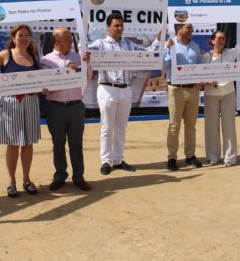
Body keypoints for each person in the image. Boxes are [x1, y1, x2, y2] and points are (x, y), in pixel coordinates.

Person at [87, 12, 160, 175]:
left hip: (125, 90)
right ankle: (106, 161)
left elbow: (148, 53)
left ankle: (118, 160)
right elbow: (84, 52)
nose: (119, 28)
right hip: (107, 89)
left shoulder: (129, 44)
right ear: (108, 27)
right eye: (116, 25)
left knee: (121, 127)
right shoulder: (99, 44)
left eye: (121, 25)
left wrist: (158, 38)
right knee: (107, 127)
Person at [0, 24, 42, 197]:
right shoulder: (6, 55)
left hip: (30, 102)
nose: (23, 38)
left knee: (28, 143)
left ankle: (27, 179)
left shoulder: (34, 57)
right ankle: (11, 181)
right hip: (10, 102)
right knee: (13, 143)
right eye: (20, 35)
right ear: (13, 38)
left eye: (26, 35)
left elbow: (42, 79)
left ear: (30, 38)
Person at [40, 27, 91, 191]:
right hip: (55, 108)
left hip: (76, 106)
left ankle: (78, 176)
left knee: (76, 143)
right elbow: (46, 87)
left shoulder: (78, 57)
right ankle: (60, 175)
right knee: (58, 143)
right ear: (56, 41)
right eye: (67, 38)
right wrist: (67, 72)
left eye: (70, 37)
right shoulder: (46, 61)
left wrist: (87, 64)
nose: (71, 40)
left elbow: (87, 79)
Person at [201, 28, 240, 167]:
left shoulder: (230, 52)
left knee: (229, 125)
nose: (221, 40)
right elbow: (200, 75)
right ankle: (213, 156)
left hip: (228, 93)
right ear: (212, 41)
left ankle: (230, 157)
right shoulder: (205, 57)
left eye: (223, 38)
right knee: (211, 127)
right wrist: (206, 81)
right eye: (219, 38)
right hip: (211, 94)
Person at [164, 23, 203, 171]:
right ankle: (172, 157)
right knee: (174, 125)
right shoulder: (170, 44)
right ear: (179, 29)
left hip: (193, 89)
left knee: (191, 125)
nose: (192, 30)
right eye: (189, 28)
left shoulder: (195, 46)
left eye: (192, 27)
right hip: (176, 89)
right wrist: (168, 49)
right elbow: (163, 66)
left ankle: (190, 155)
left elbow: (200, 65)